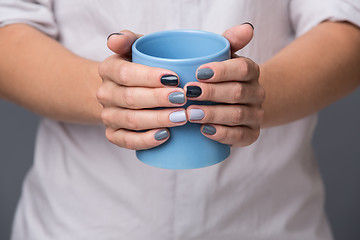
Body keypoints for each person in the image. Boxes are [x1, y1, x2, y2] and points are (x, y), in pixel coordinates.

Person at [0, 0, 359, 239]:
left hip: (270, 221)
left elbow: (349, 24)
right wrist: (112, 94)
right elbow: (8, 23)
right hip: (81, 222)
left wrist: (252, 96)